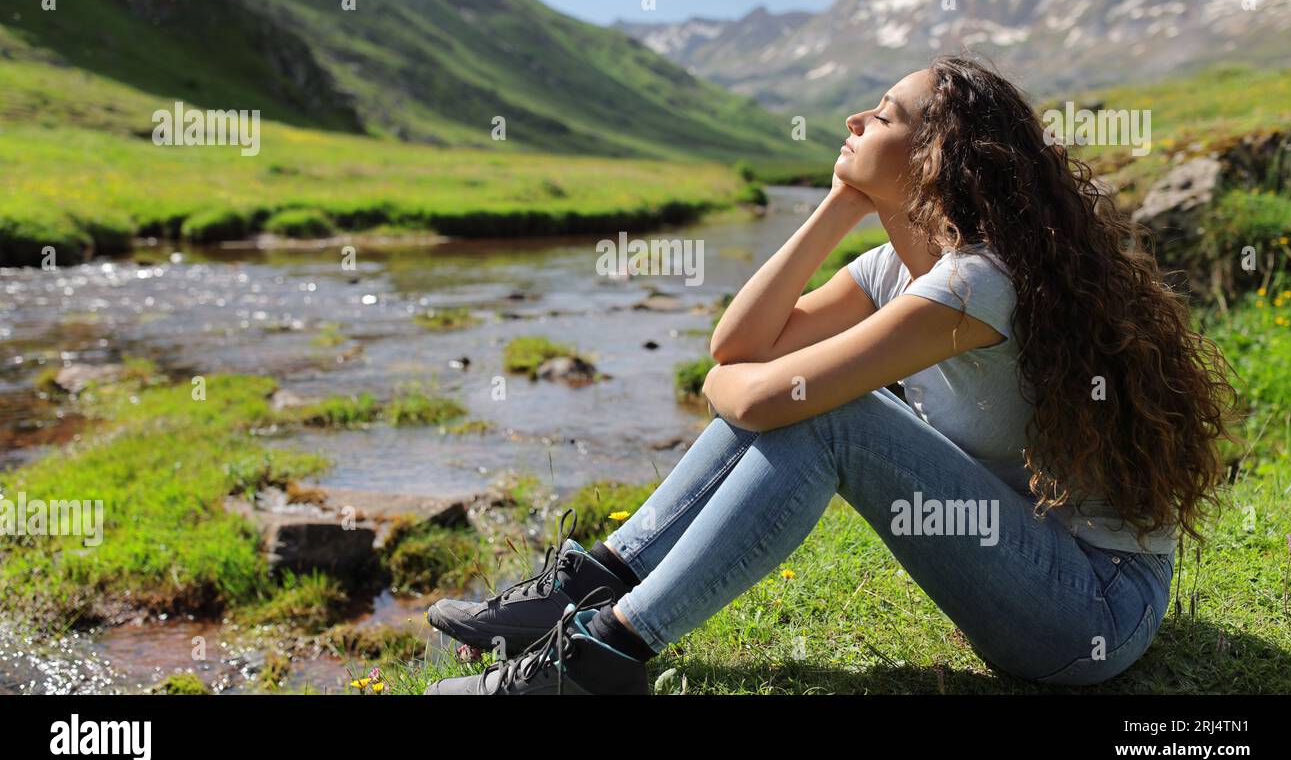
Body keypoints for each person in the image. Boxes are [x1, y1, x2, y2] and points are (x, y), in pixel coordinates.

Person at [425, 55, 1237, 695]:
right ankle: (590, 586)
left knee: (830, 413)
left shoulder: (979, 281)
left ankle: (601, 656)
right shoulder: (895, 265)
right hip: (1029, 573)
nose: (854, 120)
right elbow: (737, 343)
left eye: (882, 115)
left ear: (936, 157)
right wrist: (837, 207)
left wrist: (731, 386)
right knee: (814, 403)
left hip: (1094, 609)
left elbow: (760, 387)